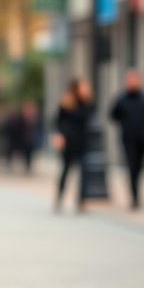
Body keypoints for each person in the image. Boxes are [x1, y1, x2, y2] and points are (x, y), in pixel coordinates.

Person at [109, 68, 144, 208]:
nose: (132, 82)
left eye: (134, 80)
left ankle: (136, 192)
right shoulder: (121, 98)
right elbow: (113, 115)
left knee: (139, 167)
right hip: (128, 139)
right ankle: (135, 197)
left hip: (143, 139)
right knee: (132, 166)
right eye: (129, 80)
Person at [53, 78, 92, 211]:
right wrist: (59, 135)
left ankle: (81, 200)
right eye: (83, 87)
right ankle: (59, 197)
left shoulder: (86, 102)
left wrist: (86, 100)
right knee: (66, 170)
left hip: (82, 141)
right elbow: (57, 121)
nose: (85, 89)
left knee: (83, 171)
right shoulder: (66, 103)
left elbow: (87, 117)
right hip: (68, 141)